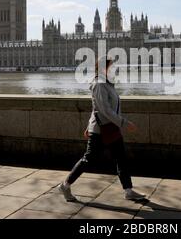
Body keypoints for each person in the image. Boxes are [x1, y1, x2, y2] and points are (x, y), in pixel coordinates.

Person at [58, 57, 146, 202]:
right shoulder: (99, 84)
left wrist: (88, 125)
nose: (114, 69)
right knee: (88, 159)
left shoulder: (108, 84)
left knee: (121, 159)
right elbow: (104, 109)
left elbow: (96, 108)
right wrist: (124, 123)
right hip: (100, 130)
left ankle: (128, 190)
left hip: (111, 128)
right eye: (111, 67)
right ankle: (65, 185)